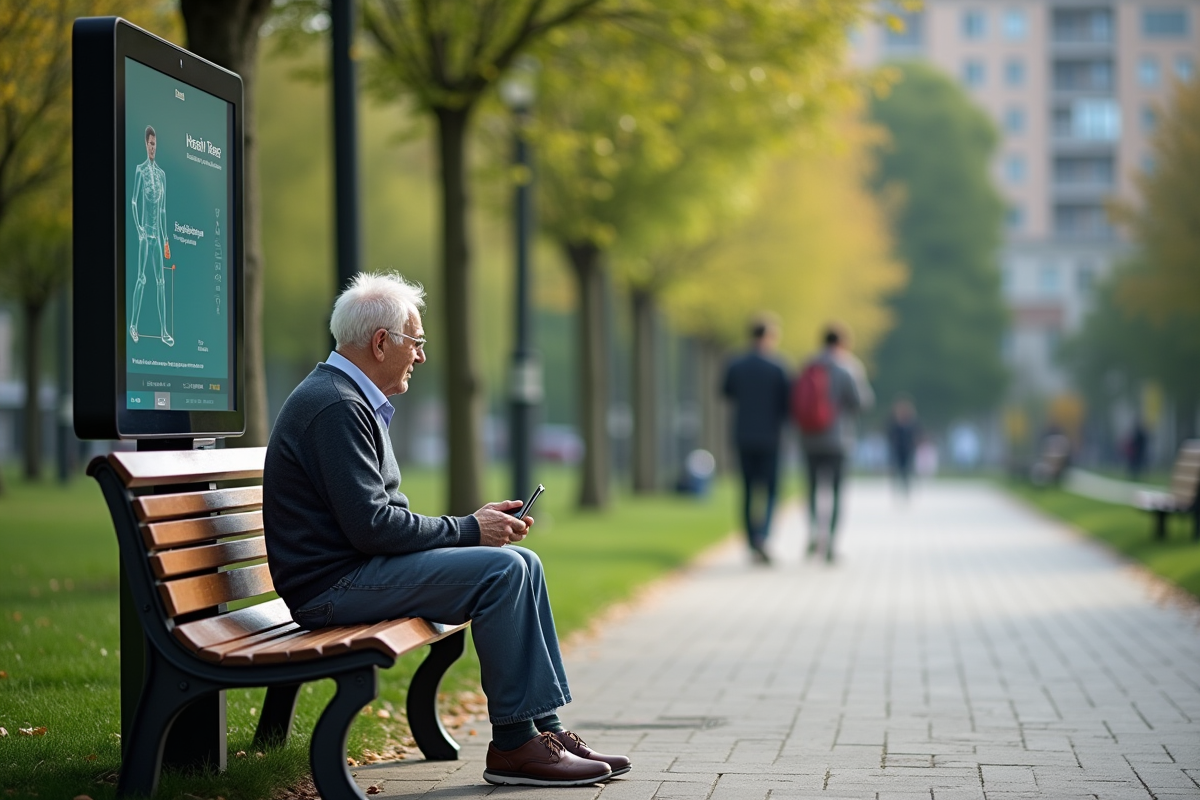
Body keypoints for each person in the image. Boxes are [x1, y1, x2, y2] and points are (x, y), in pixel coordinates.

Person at [263, 272, 628, 787]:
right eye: (416, 342)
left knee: (522, 562)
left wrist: (473, 527)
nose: (421, 355)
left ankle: (544, 730)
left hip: (352, 571)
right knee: (501, 571)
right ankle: (514, 746)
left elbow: (374, 525)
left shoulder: (345, 397)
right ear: (381, 342)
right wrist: (469, 529)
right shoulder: (337, 406)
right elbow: (373, 527)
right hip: (332, 587)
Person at [795, 324, 873, 562]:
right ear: (843, 343)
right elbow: (863, 401)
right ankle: (830, 542)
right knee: (837, 493)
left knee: (811, 490)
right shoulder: (848, 366)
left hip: (809, 439)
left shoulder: (808, 364)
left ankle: (812, 532)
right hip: (838, 439)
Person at [721, 316, 790, 564]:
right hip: (771, 436)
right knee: (771, 490)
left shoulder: (736, 364)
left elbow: (726, 392)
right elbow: (787, 403)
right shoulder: (779, 366)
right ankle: (763, 535)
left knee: (748, 489)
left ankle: (751, 539)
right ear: (771, 337)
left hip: (743, 434)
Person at [130, 124, 173, 347]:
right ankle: (134, 325)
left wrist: (166, 239)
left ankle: (164, 330)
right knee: (141, 278)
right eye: (150, 144)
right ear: (145, 145)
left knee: (161, 281)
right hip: (145, 234)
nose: (153, 147)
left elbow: (163, 209)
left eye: (155, 144)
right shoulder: (140, 170)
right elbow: (134, 201)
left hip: (157, 236)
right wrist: (138, 229)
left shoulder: (162, 175)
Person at [886, 397, 918, 497]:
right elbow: (889, 433)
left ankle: (905, 487)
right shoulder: (894, 421)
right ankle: (897, 488)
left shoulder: (911, 422)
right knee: (896, 468)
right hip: (897, 449)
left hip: (907, 449)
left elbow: (916, 433)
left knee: (906, 469)